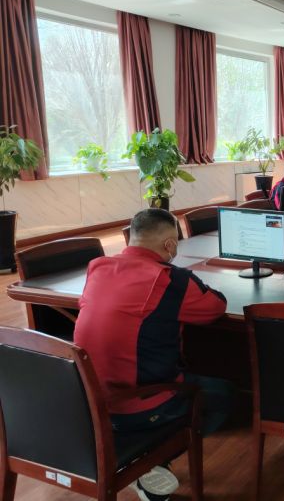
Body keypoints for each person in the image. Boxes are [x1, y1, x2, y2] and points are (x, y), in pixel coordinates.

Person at [74, 208, 234, 501]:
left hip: (87, 404)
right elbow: (216, 307)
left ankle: (142, 456)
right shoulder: (171, 280)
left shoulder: (97, 268)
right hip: (139, 407)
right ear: (170, 245)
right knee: (224, 395)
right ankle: (149, 460)